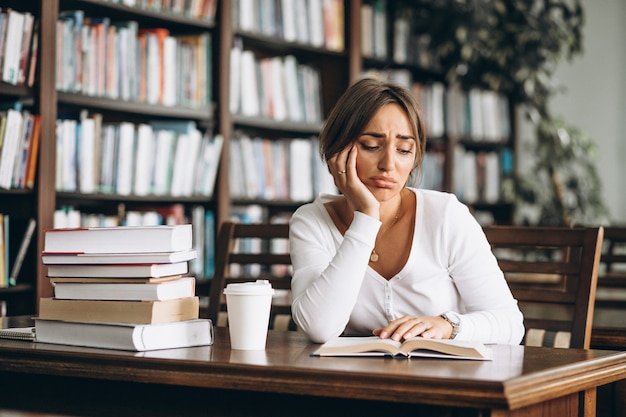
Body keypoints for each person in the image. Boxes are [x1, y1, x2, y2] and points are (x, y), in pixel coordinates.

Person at [289, 77, 525, 345]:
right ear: (338, 148)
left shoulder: (446, 216)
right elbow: (318, 327)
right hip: (354, 382)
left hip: (445, 379)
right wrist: (366, 216)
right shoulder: (311, 221)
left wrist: (447, 325)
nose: (388, 164)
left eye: (403, 149)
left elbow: (510, 324)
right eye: (371, 145)